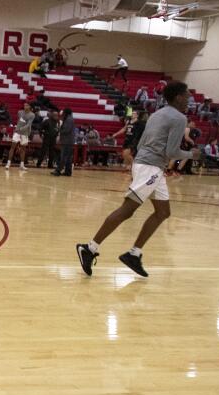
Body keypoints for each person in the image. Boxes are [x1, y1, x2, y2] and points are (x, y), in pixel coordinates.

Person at [76, 81, 193, 278]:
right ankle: (89, 248)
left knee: (163, 212)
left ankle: (134, 254)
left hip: (149, 165)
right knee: (127, 210)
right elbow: (173, 151)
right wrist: (193, 155)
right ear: (178, 97)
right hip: (151, 167)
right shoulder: (179, 118)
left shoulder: (157, 114)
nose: (190, 99)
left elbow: (143, 142)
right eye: (187, 95)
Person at [6, 103, 35, 171]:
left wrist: (21, 129)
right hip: (17, 132)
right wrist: (17, 129)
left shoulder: (32, 115)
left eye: (27, 105)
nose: (25, 106)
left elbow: (28, 125)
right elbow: (18, 121)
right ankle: (8, 163)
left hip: (25, 133)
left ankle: (22, 165)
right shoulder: (20, 112)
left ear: (30, 106)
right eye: (24, 105)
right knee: (12, 147)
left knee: (23, 149)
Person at [51, 108, 76, 176]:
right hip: (68, 141)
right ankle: (68, 172)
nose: (62, 114)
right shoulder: (69, 119)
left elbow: (66, 130)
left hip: (67, 141)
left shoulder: (69, 120)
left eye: (63, 112)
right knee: (68, 158)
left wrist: (59, 130)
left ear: (66, 113)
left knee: (64, 157)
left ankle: (58, 170)